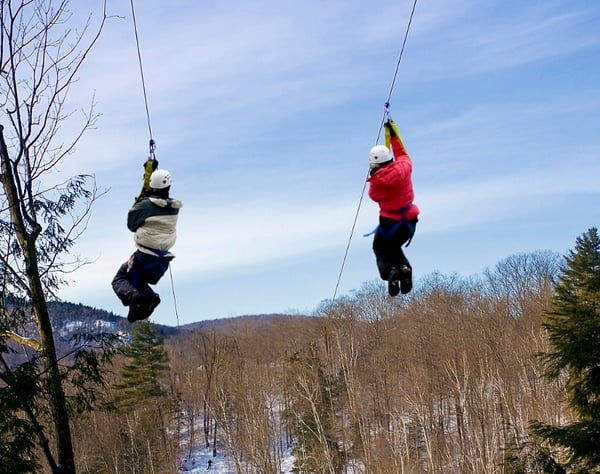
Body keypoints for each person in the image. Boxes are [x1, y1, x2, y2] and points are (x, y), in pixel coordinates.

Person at [111, 169, 183, 322]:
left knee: (120, 278)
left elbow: (131, 224)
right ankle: (149, 297)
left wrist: (141, 200)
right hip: (162, 260)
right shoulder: (173, 208)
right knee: (137, 280)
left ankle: (134, 298)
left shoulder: (145, 206)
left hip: (144, 256)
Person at [367, 118, 419, 296]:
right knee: (394, 247)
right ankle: (404, 268)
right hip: (410, 221)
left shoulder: (377, 184)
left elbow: (373, 196)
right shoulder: (405, 166)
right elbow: (402, 154)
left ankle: (391, 272)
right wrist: (394, 135)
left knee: (380, 248)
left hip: (390, 223)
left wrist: (374, 173)